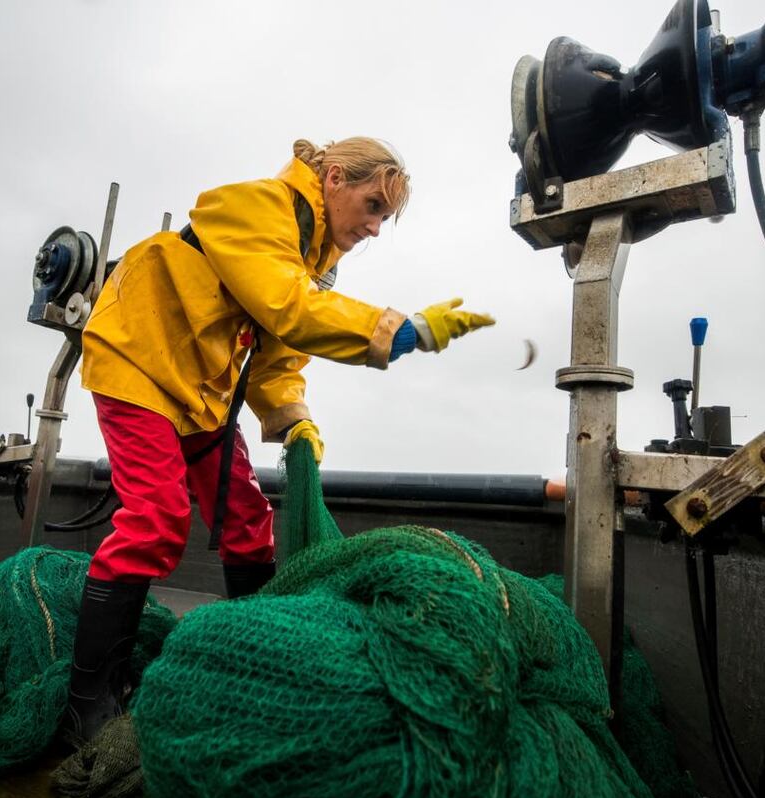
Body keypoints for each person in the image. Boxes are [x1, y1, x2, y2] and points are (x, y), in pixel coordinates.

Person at [63, 136, 495, 744]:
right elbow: (287, 307)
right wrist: (399, 331)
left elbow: (275, 358)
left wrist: (294, 421)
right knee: (156, 519)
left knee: (247, 518)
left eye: (384, 218)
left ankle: (249, 662)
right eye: (372, 205)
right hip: (137, 360)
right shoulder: (260, 208)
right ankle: (88, 704)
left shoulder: (309, 261)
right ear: (336, 177)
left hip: (200, 390)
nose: (374, 227)